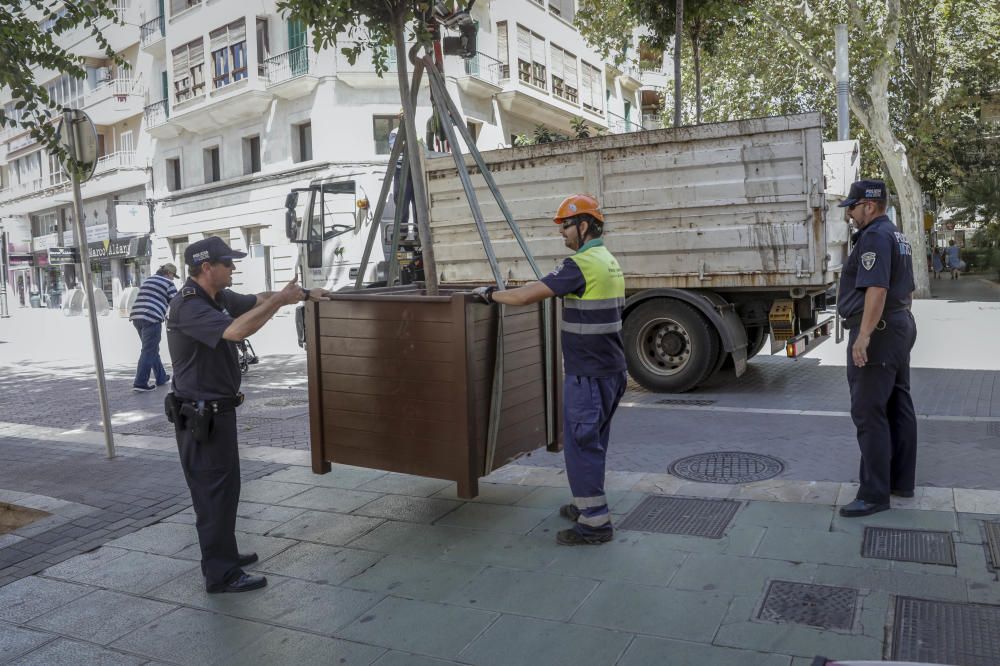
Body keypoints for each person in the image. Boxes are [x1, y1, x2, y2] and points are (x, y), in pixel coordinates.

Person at [166, 237, 332, 592]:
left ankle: (224, 554)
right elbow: (238, 330)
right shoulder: (189, 306)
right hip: (200, 419)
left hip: (217, 414)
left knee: (225, 490)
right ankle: (221, 574)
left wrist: (301, 294)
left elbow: (258, 299)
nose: (234, 268)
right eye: (228, 263)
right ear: (207, 267)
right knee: (212, 494)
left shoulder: (219, 297)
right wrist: (281, 302)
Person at [473, 194, 626, 545]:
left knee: (581, 445)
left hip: (588, 374)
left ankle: (595, 523)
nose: (563, 234)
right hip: (611, 370)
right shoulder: (608, 260)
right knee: (594, 443)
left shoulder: (581, 264)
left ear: (584, 226)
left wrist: (490, 294)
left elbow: (526, 296)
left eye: (566, 226)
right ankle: (586, 504)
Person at [836, 180, 918, 518]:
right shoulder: (896, 235)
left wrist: (864, 336)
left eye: (853, 208)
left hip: (880, 330)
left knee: (869, 411)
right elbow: (906, 289)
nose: (850, 215)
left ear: (869, 206)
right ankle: (900, 481)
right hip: (898, 325)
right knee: (898, 403)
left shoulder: (874, 236)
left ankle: (874, 494)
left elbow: (877, 289)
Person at [129, 263, 178, 392]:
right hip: (151, 317)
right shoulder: (168, 283)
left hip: (136, 316)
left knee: (151, 349)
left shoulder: (149, 280)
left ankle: (161, 377)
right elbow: (177, 303)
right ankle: (140, 383)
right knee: (149, 350)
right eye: (173, 276)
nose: (173, 279)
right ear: (168, 273)